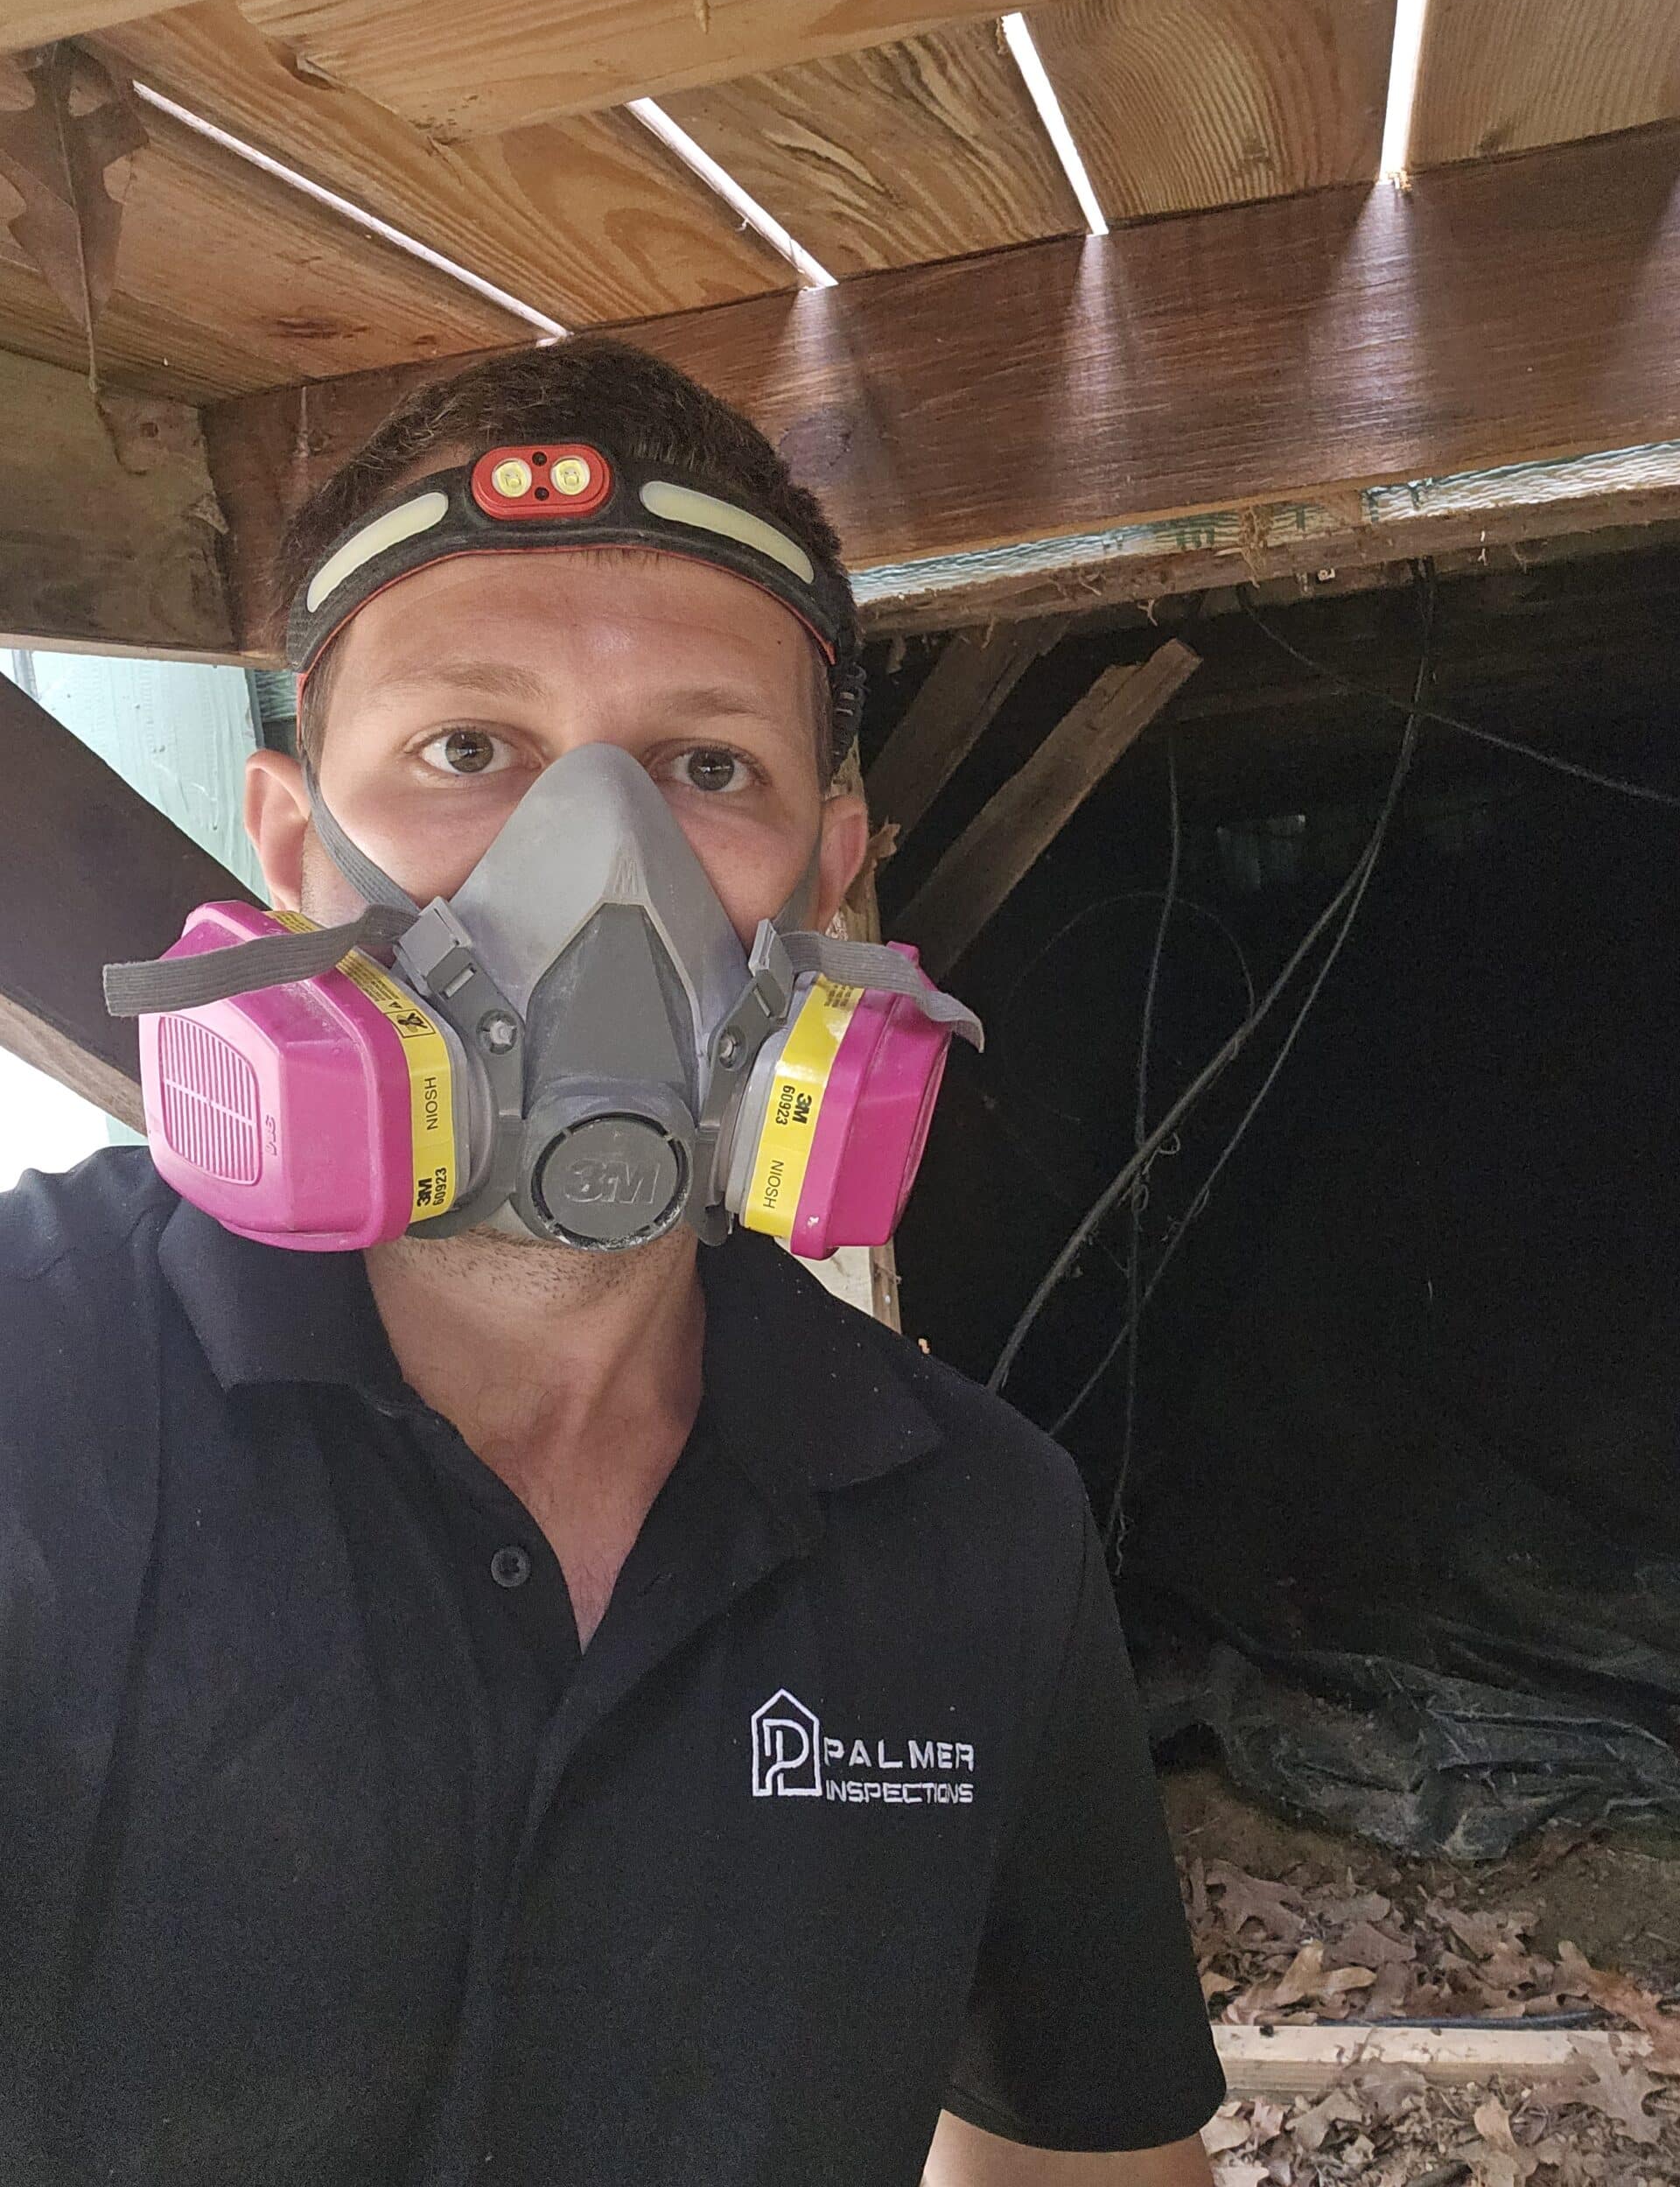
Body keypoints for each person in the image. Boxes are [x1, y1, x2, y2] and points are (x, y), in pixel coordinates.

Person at [0, 339, 1223, 2186]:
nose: (595, 866)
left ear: (824, 879)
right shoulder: (29, 1394)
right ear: (284, 846)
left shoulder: (981, 1532)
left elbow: (1076, 2159)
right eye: (466, 748)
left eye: (703, 765)